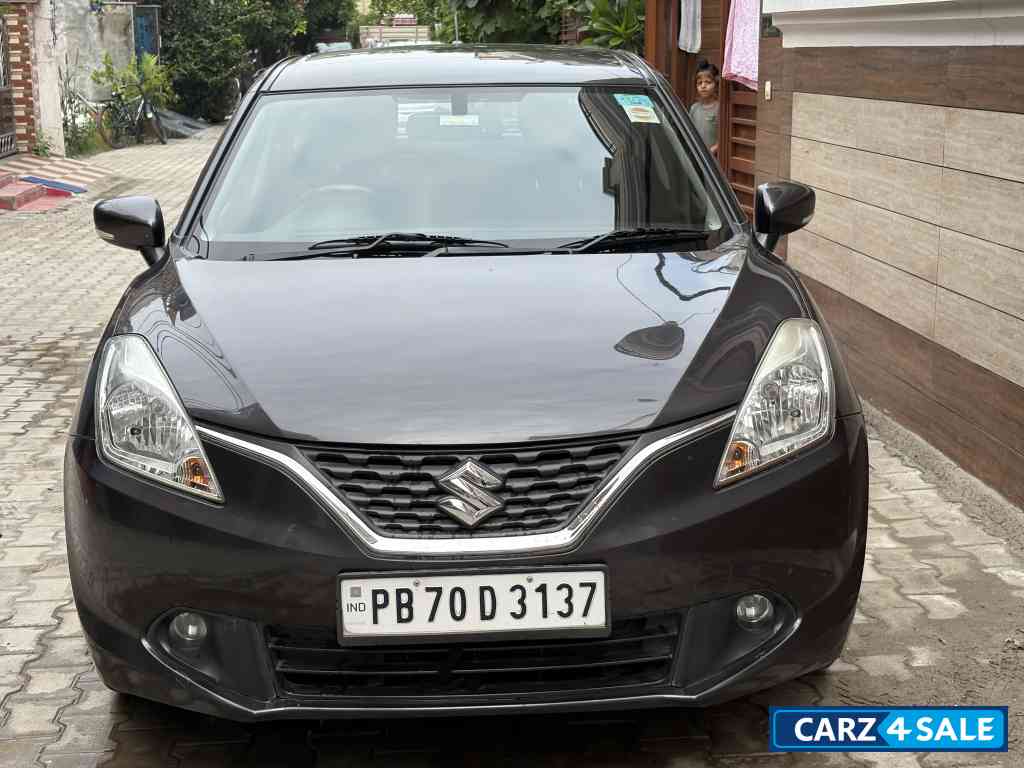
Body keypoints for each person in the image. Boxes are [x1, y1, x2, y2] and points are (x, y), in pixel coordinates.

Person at [689, 60, 719, 157]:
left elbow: (723, 138)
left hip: (713, 160)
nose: (703, 86)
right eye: (699, 83)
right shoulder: (694, 108)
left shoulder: (719, 108)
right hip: (697, 157)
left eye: (708, 82)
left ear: (716, 84)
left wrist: (714, 149)